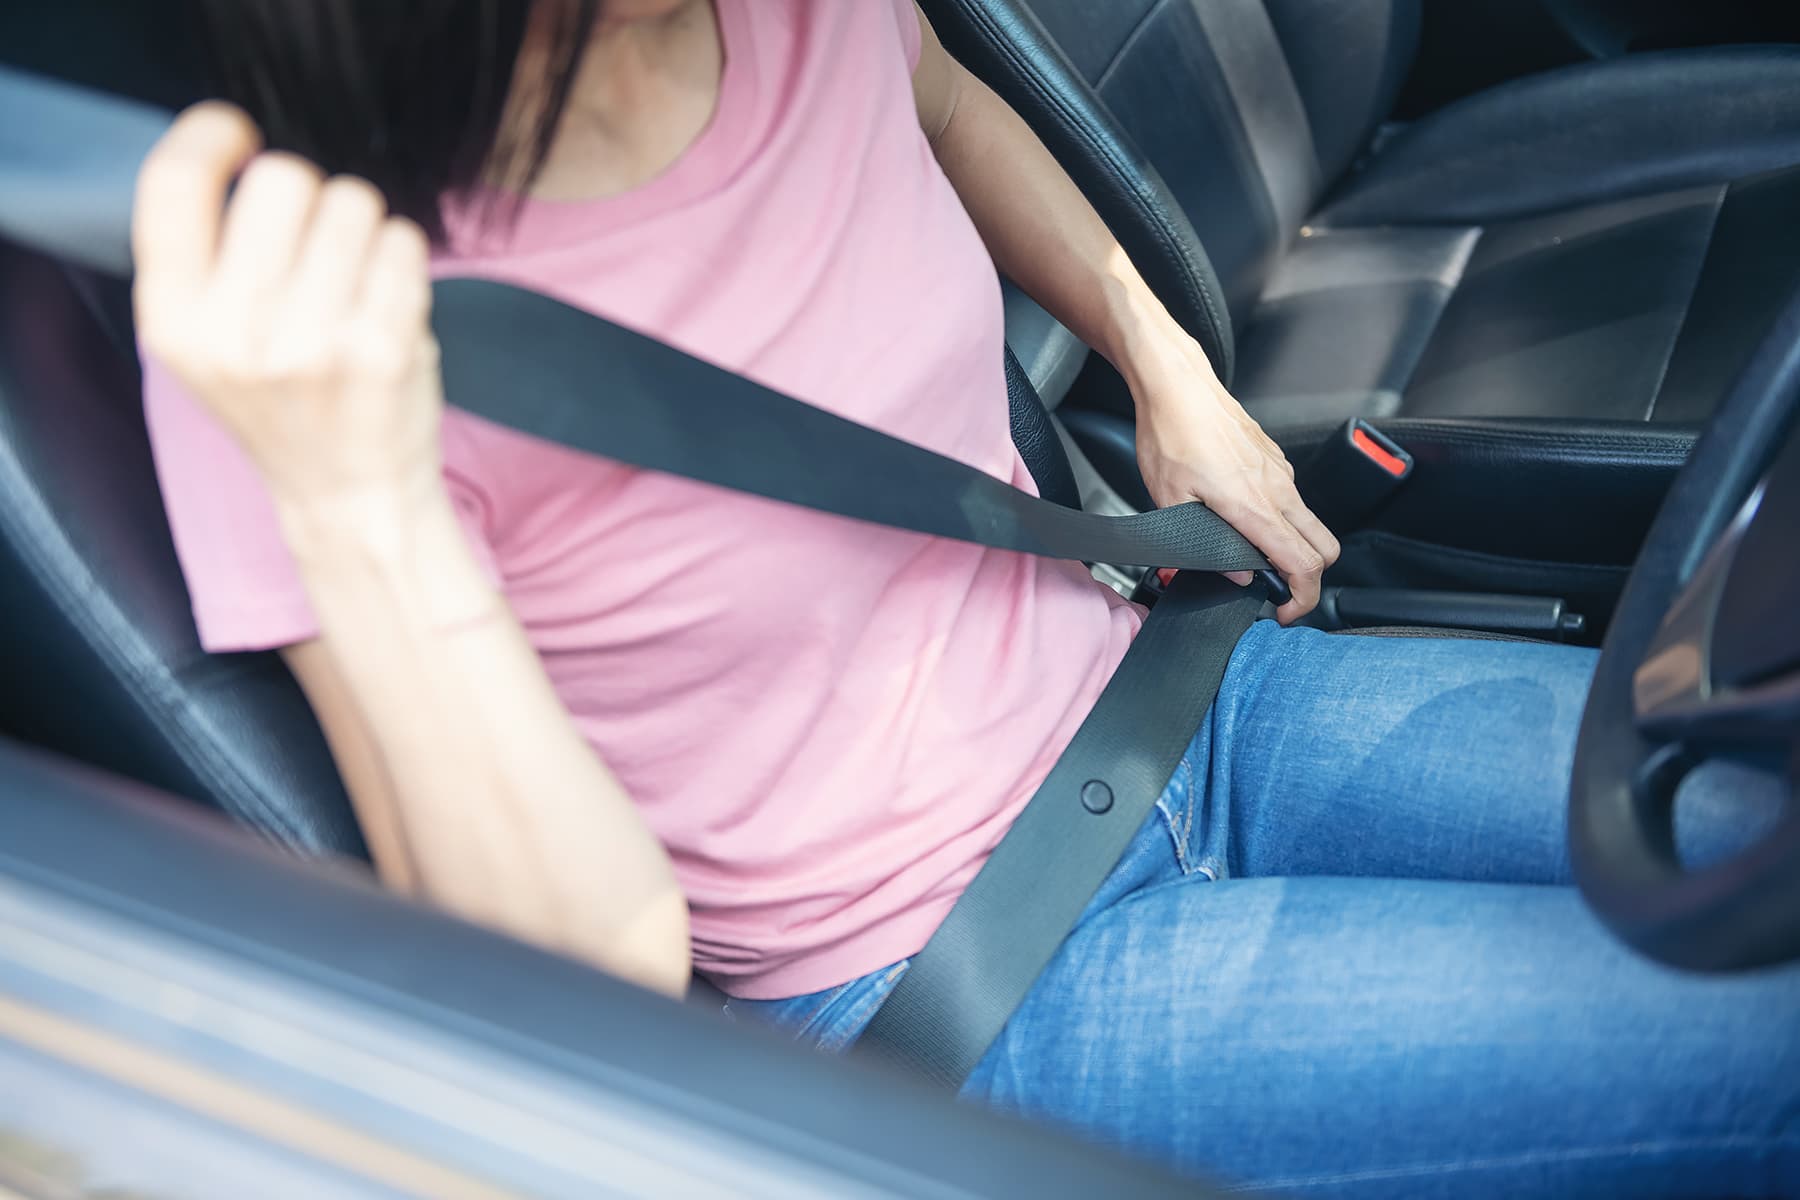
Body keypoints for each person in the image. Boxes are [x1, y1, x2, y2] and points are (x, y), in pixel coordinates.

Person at [132, 0, 1798, 1193]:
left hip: (1175, 694)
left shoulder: (790, 17)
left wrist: (1161, 360)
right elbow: (590, 984)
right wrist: (355, 496)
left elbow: (937, 98)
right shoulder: (305, 333)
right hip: (965, 977)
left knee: (1760, 835)